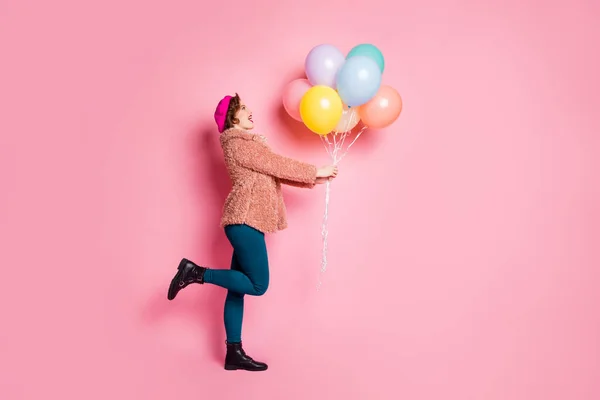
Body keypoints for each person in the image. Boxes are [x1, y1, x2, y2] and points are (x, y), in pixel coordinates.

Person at [167, 93, 338, 371]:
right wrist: (314, 169)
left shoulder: (246, 146)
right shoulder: (238, 143)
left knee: (237, 290)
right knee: (258, 285)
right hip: (244, 221)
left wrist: (316, 177)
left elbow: (271, 171)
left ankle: (233, 352)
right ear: (233, 117)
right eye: (244, 108)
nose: (250, 111)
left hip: (246, 221)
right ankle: (196, 273)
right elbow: (276, 164)